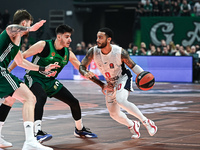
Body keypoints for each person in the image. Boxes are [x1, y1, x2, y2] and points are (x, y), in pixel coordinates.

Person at [8, 24, 97, 143]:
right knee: (40, 97)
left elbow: (79, 66)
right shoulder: (43, 45)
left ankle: (79, 129)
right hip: (34, 77)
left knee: (74, 102)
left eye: (70, 37)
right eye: (67, 37)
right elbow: (22, 57)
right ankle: (37, 132)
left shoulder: (68, 53)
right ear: (59, 37)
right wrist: (8, 70)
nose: (70, 40)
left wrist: (86, 73)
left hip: (50, 81)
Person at [79, 27, 157, 139]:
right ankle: (132, 125)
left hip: (123, 77)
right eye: (97, 37)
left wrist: (144, 75)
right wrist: (99, 83)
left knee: (121, 100)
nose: (97, 40)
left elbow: (133, 66)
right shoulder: (93, 51)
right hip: (109, 83)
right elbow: (82, 67)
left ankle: (147, 122)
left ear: (109, 39)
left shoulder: (119, 52)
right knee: (114, 114)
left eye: (101, 37)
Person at [0, 9, 59, 150]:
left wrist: (43, 69)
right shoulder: (10, 31)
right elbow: (11, 28)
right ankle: (30, 142)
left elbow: (20, 62)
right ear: (25, 22)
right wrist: (31, 28)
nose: (28, 30)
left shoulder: (17, 40)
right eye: (28, 25)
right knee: (30, 98)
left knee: (10, 99)